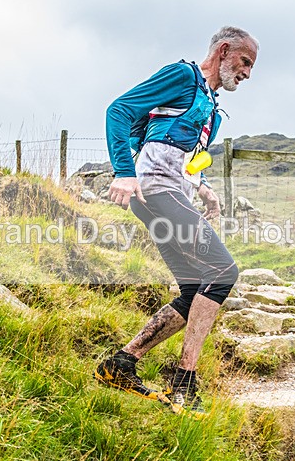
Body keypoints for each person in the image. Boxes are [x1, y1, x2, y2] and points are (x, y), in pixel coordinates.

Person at [95, 26, 258, 417]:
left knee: (193, 291)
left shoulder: (212, 108)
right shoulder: (183, 76)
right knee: (223, 272)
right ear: (223, 51)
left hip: (169, 194)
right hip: (155, 191)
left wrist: (203, 187)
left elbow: (183, 154)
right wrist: (124, 171)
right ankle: (184, 382)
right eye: (245, 62)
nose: (248, 73)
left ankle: (120, 364)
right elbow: (119, 111)